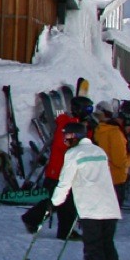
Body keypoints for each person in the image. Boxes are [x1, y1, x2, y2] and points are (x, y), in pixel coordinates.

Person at [50, 120, 124, 260]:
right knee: (108, 246)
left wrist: (55, 202)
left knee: (93, 248)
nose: (65, 140)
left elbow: (65, 180)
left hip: (92, 208)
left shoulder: (74, 153)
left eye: (66, 136)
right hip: (110, 207)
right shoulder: (99, 151)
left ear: (74, 136)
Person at [22, 96, 88, 239]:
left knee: (64, 202)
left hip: (65, 170)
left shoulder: (74, 124)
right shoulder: (67, 124)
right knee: (59, 201)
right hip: (58, 171)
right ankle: (33, 219)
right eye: (87, 109)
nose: (89, 112)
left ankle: (63, 230)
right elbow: (62, 144)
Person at [91, 102, 130, 198]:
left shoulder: (97, 130)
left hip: (99, 177)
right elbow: (120, 161)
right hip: (115, 180)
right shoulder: (115, 133)